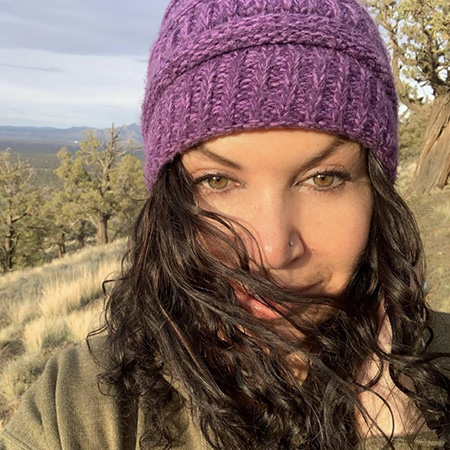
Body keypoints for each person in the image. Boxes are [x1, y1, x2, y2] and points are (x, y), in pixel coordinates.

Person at [1, 0, 449, 449]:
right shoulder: (73, 410)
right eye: (217, 181)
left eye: (323, 178)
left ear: (376, 190)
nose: (273, 251)